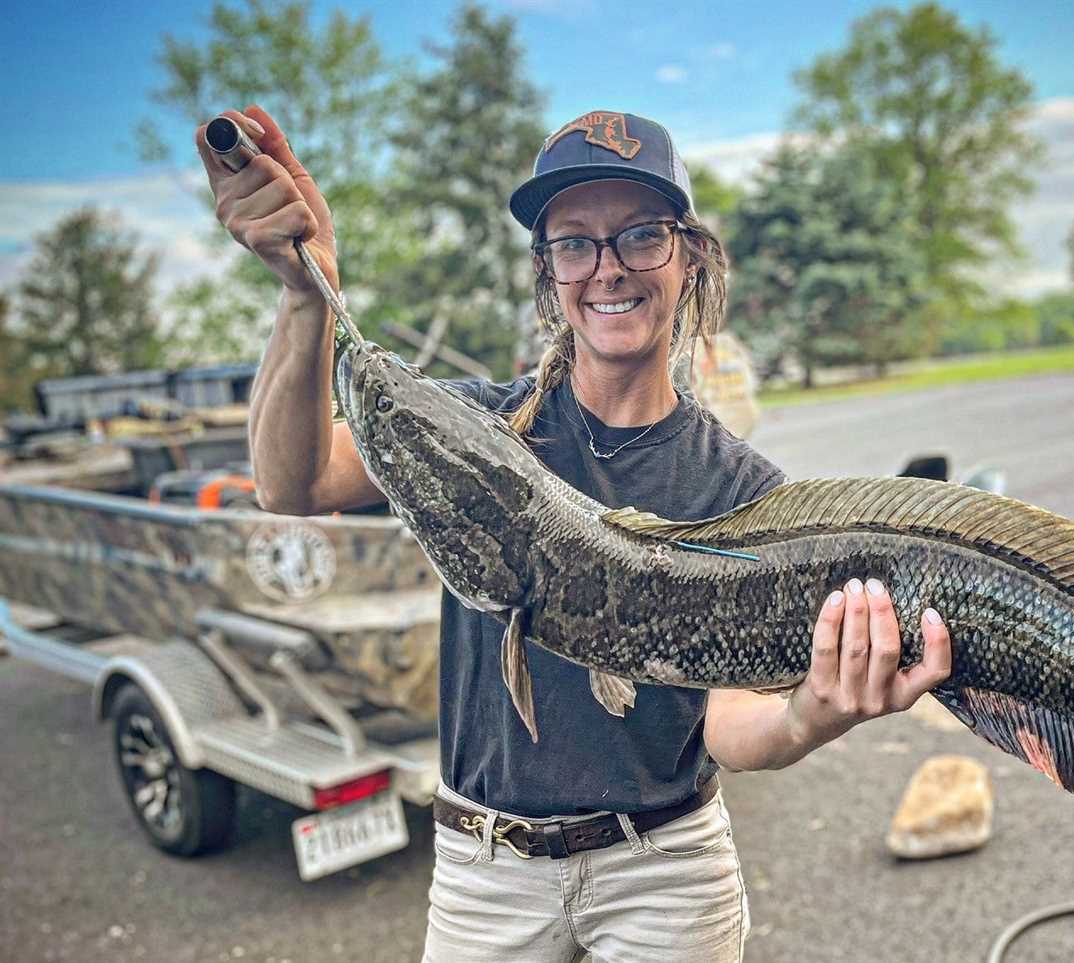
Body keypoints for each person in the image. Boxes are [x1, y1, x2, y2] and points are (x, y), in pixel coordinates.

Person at [197, 105, 953, 962]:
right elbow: (291, 482)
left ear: (689, 255)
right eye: (574, 243)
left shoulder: (742, 493)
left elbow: (731, 720)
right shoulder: (477, 429)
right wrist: (306, 295)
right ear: (547, 271)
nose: (607, 269)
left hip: (663, 872)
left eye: (640, 235)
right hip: (485, 872)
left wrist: (810, 715)